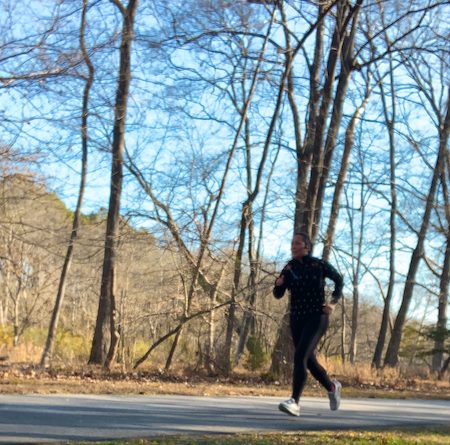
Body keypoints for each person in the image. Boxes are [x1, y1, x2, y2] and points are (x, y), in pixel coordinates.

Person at [273, 232, 343, 417]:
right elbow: (278, 294)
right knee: (308, 360)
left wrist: (333, 303)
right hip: (297, 318)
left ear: (307, 246)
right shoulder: (289, 268)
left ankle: (294, 402)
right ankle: (331, 386)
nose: (293, 246)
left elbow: (339, 280)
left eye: (297, 243)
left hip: (317, 316)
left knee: (300, 356)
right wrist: (279, 283)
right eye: (292, 243)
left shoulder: (318, 264)